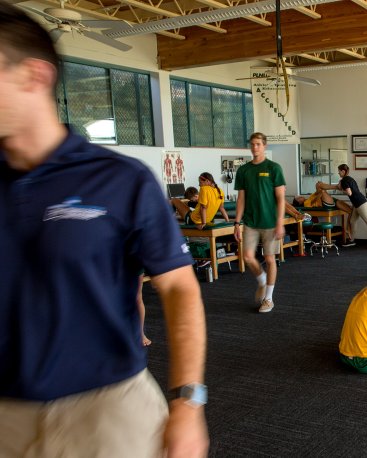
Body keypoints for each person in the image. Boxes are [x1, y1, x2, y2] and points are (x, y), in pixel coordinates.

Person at [0, 4, 208, 456]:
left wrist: (189, 402)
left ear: (33, 76)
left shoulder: (121, 179)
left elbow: (179, 289)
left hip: (107, 408)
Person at [234, 132, 286, 313]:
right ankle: (262, 280)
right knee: (247, 256)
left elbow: (281, 198)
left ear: (265, 146)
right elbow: (241, 198)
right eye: (252, 144)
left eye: (258, 144)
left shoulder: (274, 168)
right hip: (250, 222)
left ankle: (269, 299)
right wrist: (236, 223)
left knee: (270, 259)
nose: (255, 147)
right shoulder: (243, 170)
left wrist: (280, 222)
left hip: (271, 222)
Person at [318, 164, 367, 250]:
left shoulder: (344, 180)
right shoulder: (349, 178)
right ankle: (352, 240)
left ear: (343, 171)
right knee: (352, 221)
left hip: (360, 203)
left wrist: (341, 189)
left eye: (339, 171)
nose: (338, 173)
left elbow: (349, 193)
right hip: (357, 203)